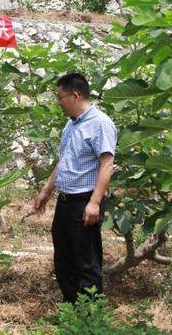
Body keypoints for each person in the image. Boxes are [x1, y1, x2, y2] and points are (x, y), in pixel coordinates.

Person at [33, 73, 117, 303]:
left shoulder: (100, 123)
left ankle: (90, 313)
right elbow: (64, 161)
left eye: (60, 97)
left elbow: (107, 164)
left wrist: (95, 202)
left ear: (76, 95)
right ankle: (71, 308)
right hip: (65, 201)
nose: (58, 103)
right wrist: (47, 191)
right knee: (64, 258)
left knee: (85, 261)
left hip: (84, 201)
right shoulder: (71, 125)